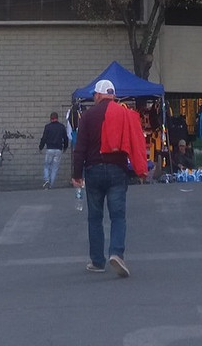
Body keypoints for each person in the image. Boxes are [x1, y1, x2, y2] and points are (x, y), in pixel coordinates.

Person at [71, 78, 148, 277]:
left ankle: (97, 261)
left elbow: (79, 149)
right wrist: (141, 169)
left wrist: (76, 175)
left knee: (95, 218)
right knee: (118, 216)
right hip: (117, 170)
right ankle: (116, 253)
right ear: (112, 95)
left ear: (98, 95)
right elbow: (136, 141)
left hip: (94, 170)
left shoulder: (87, 116)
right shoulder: (124, 114)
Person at [39, 111, 69, 189]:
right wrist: (65, 147)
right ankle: (51, 185)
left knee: (46, 166)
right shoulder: (61, 127)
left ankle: (46, 180)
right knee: (54, 168)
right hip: (58, 150)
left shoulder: (47, 127)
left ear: (50, 118)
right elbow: (65, 138)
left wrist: (40, 147)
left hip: (49, 149)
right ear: (57, 118)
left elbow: (44, 138)